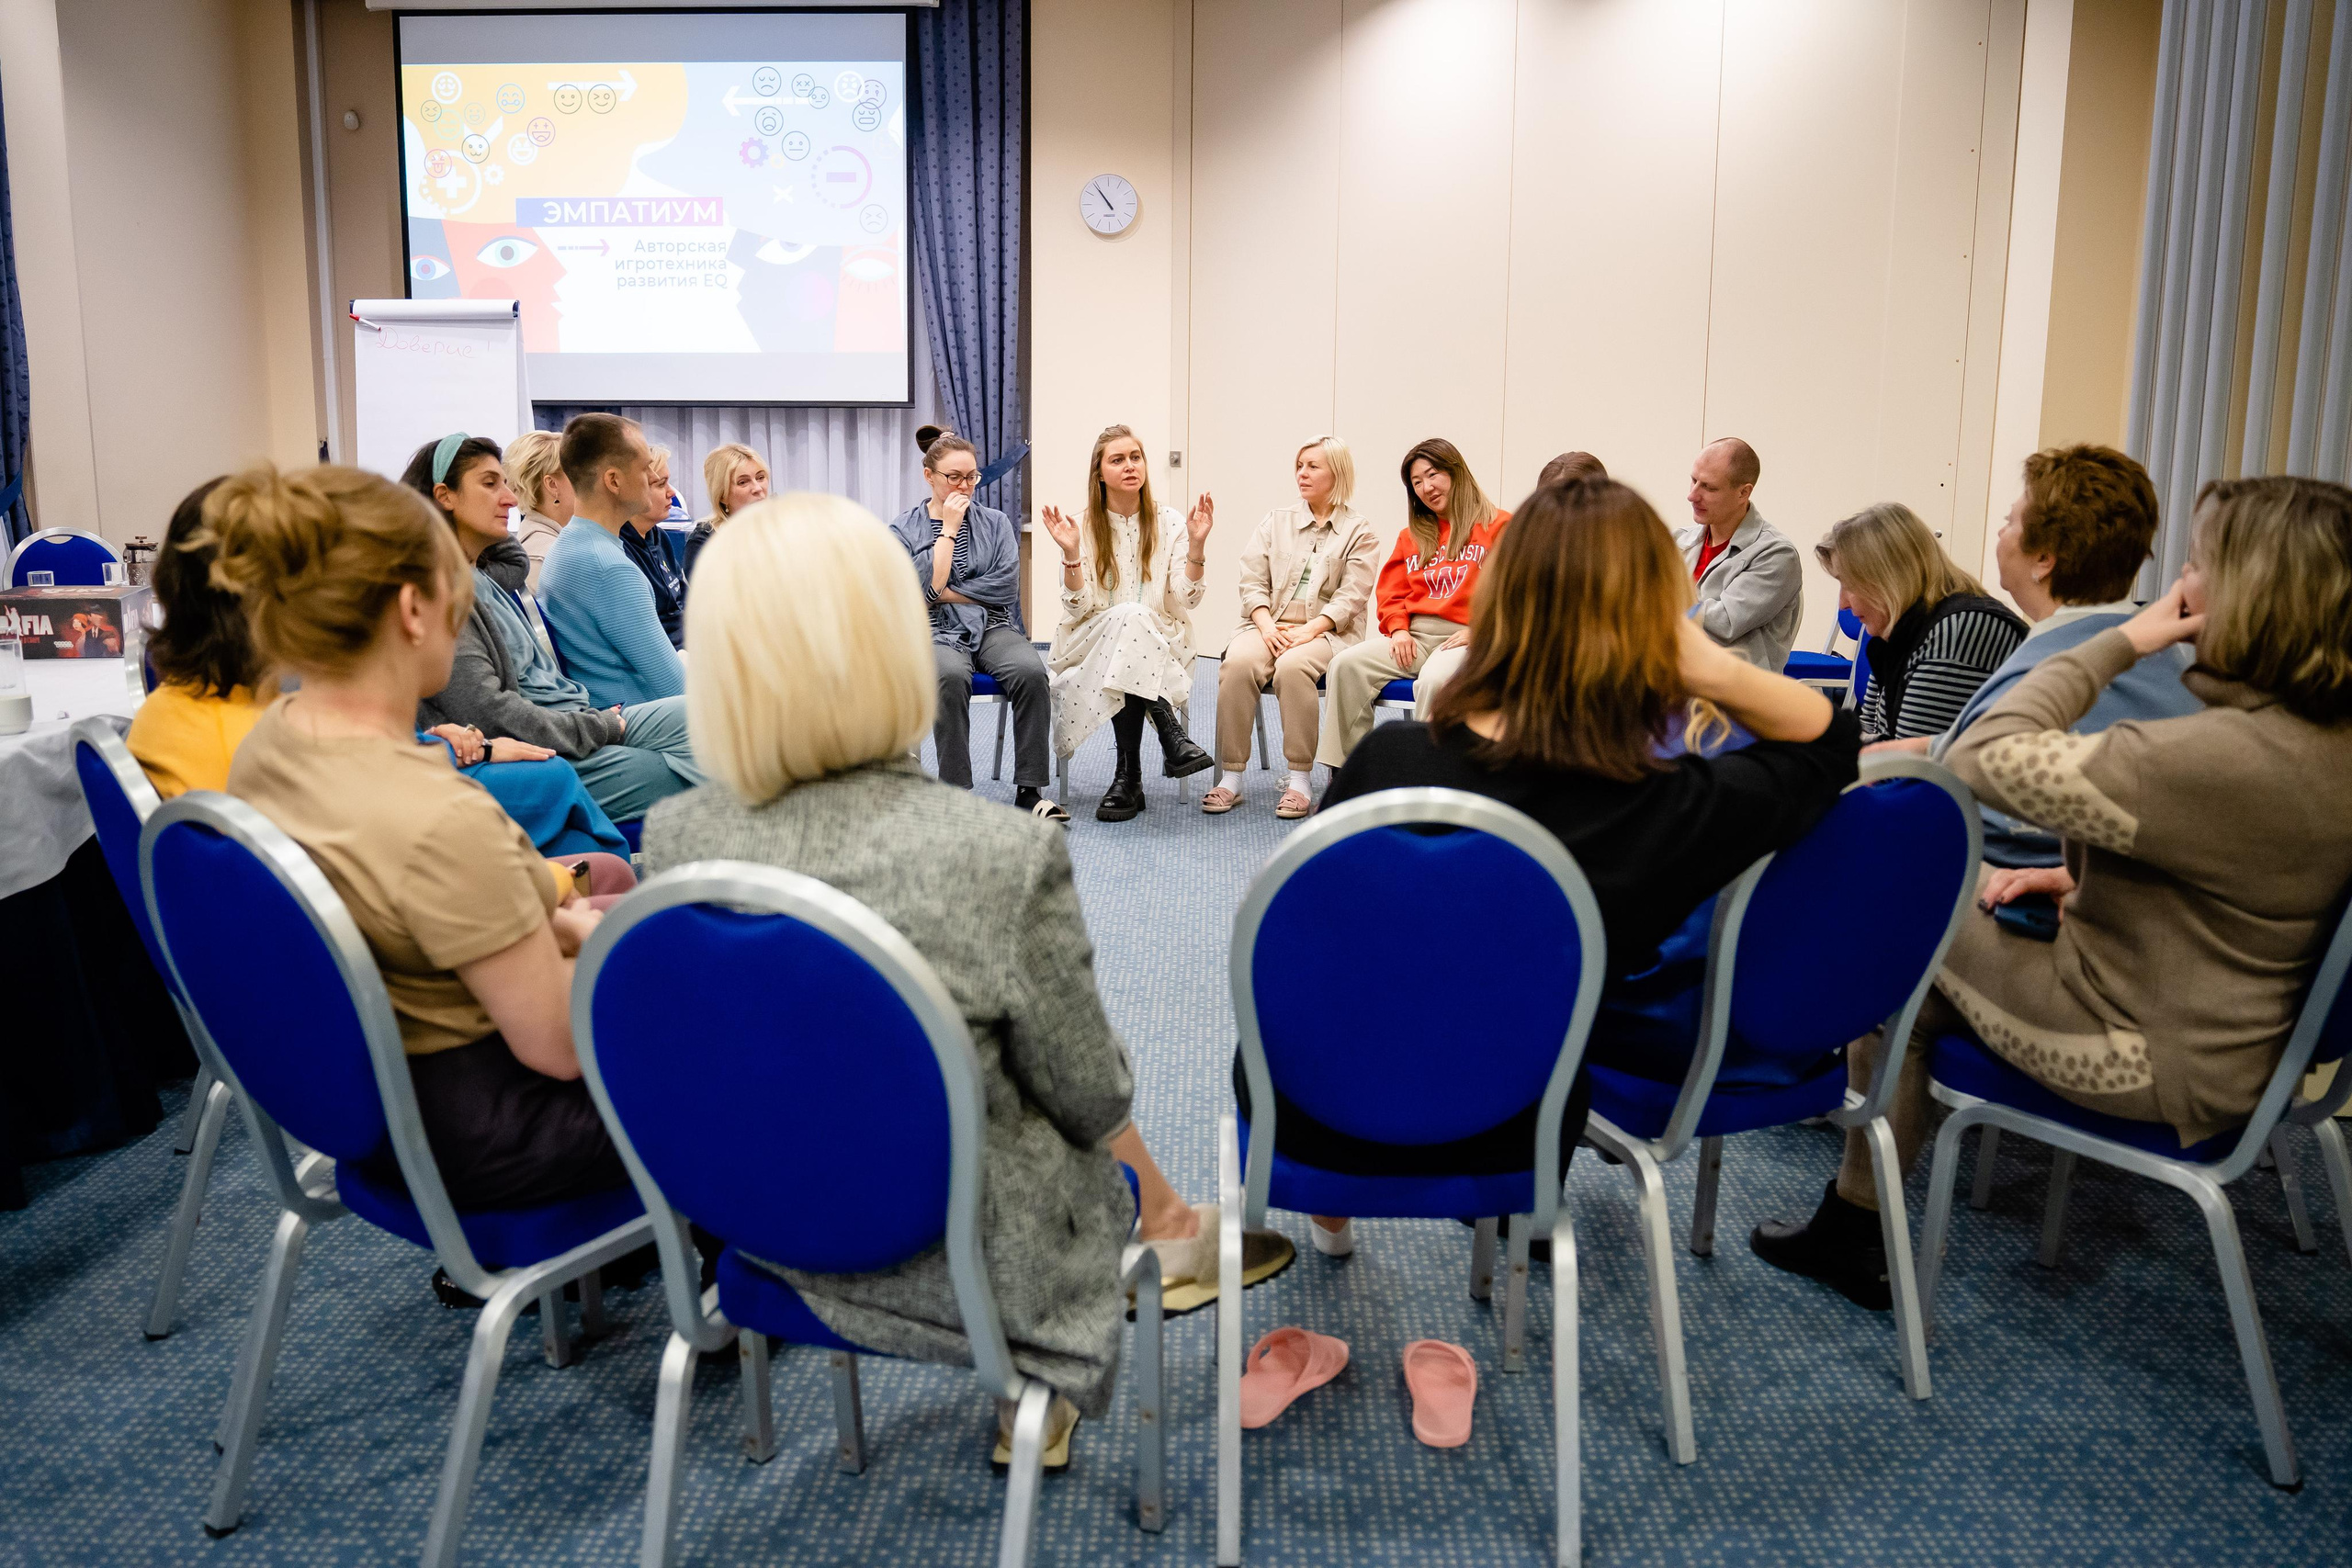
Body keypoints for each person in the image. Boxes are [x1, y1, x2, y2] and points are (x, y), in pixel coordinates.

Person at [646, 491, 1290, 1467]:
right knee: (1046, 1081)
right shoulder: (995, 852)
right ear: (893, 644)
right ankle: (1116, 1284)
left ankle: (1159, 1237)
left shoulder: (675, 840)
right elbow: (1092, 1095)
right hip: (972, 1255)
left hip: (764, 1228)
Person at [1752, 475, 2352, 1309]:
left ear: (2252, 596)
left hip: (2152, 1055)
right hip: (2233, 1032)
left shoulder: (2214, 753)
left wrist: (2118, 640)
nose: (2178, 588)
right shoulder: (2317, 739)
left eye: (2195, 567)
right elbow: (2251, 873)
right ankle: (1853, 1221)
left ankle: (1839, 1204)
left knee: (1897, 936)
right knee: (1923, 966)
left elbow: (1979, 756)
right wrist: (2076, 872)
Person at [1268, 477, 1861, 1257]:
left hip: (1327, 1103)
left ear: (1500, 602)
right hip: (1523, 1115)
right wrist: (1708, 668)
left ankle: (1333, 1210)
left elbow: (1314, 940)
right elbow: (1833, 742)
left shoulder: (1393, 761)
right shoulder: (1670, 803)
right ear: (1661, 619)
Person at [206, 462, 631, 1211]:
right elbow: (562, 1046)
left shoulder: (272, 743)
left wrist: (563, 924)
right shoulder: (441, 816)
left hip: (385, 1100)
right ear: (412, 610)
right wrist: (620, 948)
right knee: (745, 1028)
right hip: (498, 1127)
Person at [404, 433, 705, 828]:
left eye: (507, 484)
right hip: (565, 735)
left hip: (576, 717)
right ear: (445, 496)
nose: (511, 499)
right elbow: (487, 710)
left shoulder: (484, 575)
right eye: (490, 484)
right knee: (720, 750)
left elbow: (514, 566)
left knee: (715, 723)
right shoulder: (445, 592)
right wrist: (596, 725)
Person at [1939, 446, 2200, 877]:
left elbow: (1988, 793)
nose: (2000, 533)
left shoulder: (2056, 662)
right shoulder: (2164, 659)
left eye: (2009, 521)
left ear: (2044, 559)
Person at [888, 425, 1065, 821]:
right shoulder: (903, 528)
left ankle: (1030, 791)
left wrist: (942, 589)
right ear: (929, 475)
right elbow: (912, 593)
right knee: (949, 677)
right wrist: (949, 530)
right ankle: (957, 792)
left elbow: (1004, 587)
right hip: (933, 629)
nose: (965, 486)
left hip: (992, 625)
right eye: (954, 477)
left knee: (1031, 672)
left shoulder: (996, 522)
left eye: (971, 476)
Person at [1042, 424, 1216, 822]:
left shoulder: (1171, 522)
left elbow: (1188, 598)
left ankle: (1129, 778)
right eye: (1118, 460)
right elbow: (1078, 608)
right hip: (1090, 641)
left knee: (1133, 628)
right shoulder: (1081, 526)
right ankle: (1170, 734)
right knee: (1129, 618)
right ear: (1100, 473)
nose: (1130, 466)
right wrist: (1071, 553)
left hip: (1163, 639)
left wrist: (1197, 545)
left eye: (1135, 457)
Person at [1204, 435, 1381, 818]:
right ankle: (1231, 777)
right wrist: (1267, 626)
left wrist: (1311, 630)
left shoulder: (1360, 531)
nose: (1302, 473)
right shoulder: (1276, 521)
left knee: (1293, 666)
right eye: (1299, 466)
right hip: (1268, 623)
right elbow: (1251, 580)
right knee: (1238, 664)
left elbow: (1352, 595)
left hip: (1329, 632)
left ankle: (1300, 779)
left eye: (1313, 466)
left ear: (1337, 473)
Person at [1315, 438, 1510, 772]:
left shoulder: (1500, 526)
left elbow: (1516, 593)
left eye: (1432, 475)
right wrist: (1398, 629)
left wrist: (1483, 631)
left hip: (1466, 637)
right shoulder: (1412, 536)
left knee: (1434, 682)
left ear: (1456, 472)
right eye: (1416, 483)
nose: (1426, 488)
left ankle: (1426, 776)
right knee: (1345, 666)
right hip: (1415, 636)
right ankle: (1348, 775)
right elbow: (1391, 592)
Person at [1411, 449, 1607, 723]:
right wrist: (1486, 631)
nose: (1562, 515)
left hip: (1586, 671)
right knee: (1452, 700)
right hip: (1526, 661)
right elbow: (1508, 606)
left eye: (1573, 504)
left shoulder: (1615, 557)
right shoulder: (1528, 547)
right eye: (1552, 503)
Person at [1812, 502, 2025, 746]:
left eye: (1849, 584)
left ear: (1889, 580)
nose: (1843, 604)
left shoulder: (1958, 631)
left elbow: (1907, 762)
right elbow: (1871, 732)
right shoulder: (1904, 631)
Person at [539, 413, 686, 709]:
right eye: (645, 468)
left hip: (613, 710)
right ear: (614, 481)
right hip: (637, 718)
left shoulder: (570, 543)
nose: (652, 477)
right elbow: (676, 686)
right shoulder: (611, 568)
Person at [1678, 436, 1804, 671]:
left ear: (1743, 493)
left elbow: (1725, 623)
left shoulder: (1776, 554)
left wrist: (1657, 601)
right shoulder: (1678, 540)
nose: (1692, 495)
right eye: (1693, 481)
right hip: (1675, 676)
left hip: (1732, 688)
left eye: (1709, 487)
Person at [620, 444, 689, 649]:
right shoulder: (620, 551)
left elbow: (686, 601)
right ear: (634, 491)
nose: (671, 493)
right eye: (661, 484)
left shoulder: (659, 536)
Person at [683, 442, 768, 580]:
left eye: (760, 478)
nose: (758, 488)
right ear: (722, 495)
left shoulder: (781, 528)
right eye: (743, 482)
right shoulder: (704, 541)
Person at [503, 430, 571, 593]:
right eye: (578, 475)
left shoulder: (545, 546)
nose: (589, 483)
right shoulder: (550, 557)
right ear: (553, 485)